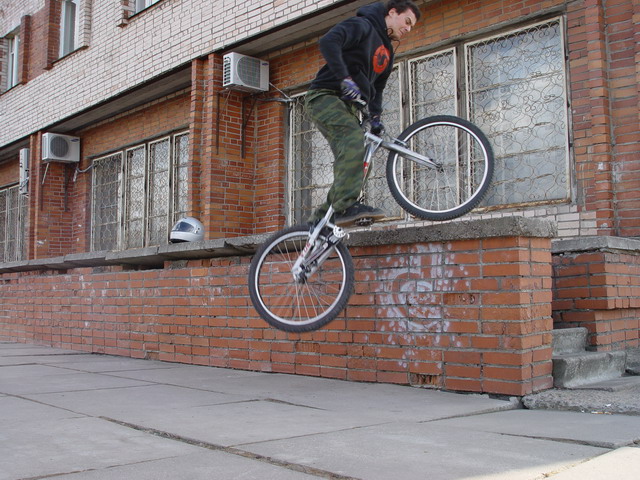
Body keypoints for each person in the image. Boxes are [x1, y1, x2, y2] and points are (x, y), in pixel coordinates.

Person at [306, 0, 421, 227]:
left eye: (412, 26)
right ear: (392, 12)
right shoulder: (362, 26)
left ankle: (324, 218)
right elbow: (329, 41)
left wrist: (375, 117)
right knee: (352, 141)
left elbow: (377, 89)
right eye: (407, 21)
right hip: (325, 95)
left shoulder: (388, 52)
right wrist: (344, 78)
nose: (408, 29)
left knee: (360, 156)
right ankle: (344, 207)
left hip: (349, 106)